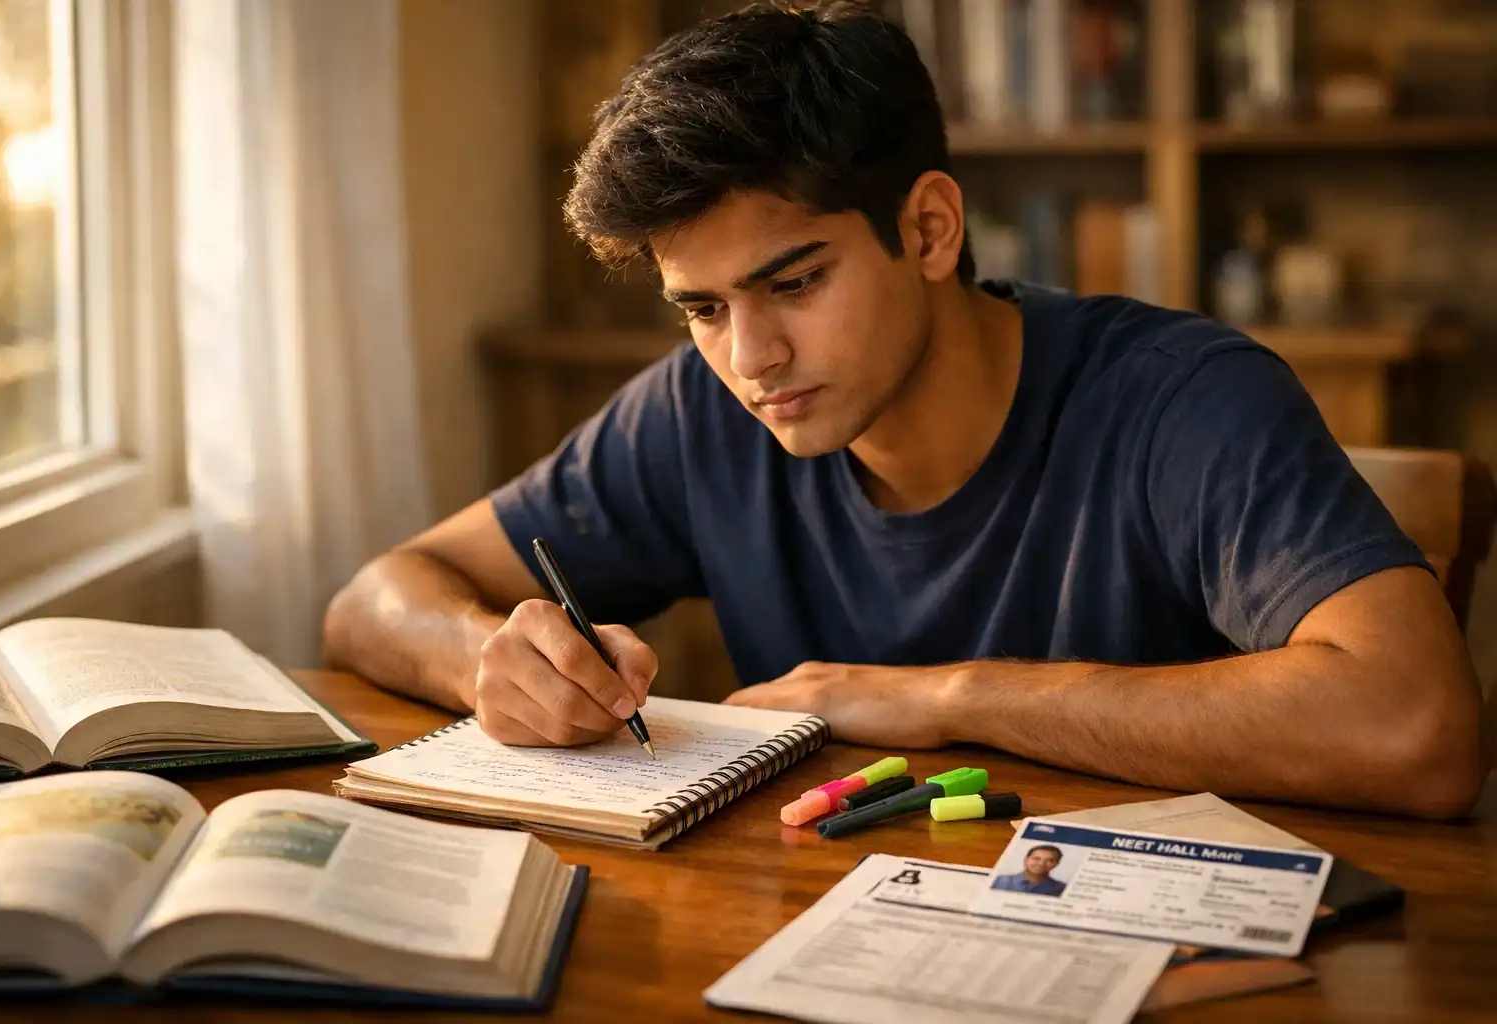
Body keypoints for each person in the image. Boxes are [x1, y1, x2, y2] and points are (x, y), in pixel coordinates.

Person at [322, 0, 1488, 820]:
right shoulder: (698, 410)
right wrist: (488, 661)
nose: (751, 358)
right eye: (703, 308)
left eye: (795, 283)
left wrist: (948, 697)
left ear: (930, 228)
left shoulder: (1182, 398)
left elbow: (1418, 728)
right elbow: (375, 600)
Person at [991, 846, 1067, 897]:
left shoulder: (1061, 888)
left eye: (1050, 860)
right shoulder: (998, 881)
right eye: (1036, 858)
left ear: (1056, 864)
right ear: (1026, 859)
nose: (1041, 864)